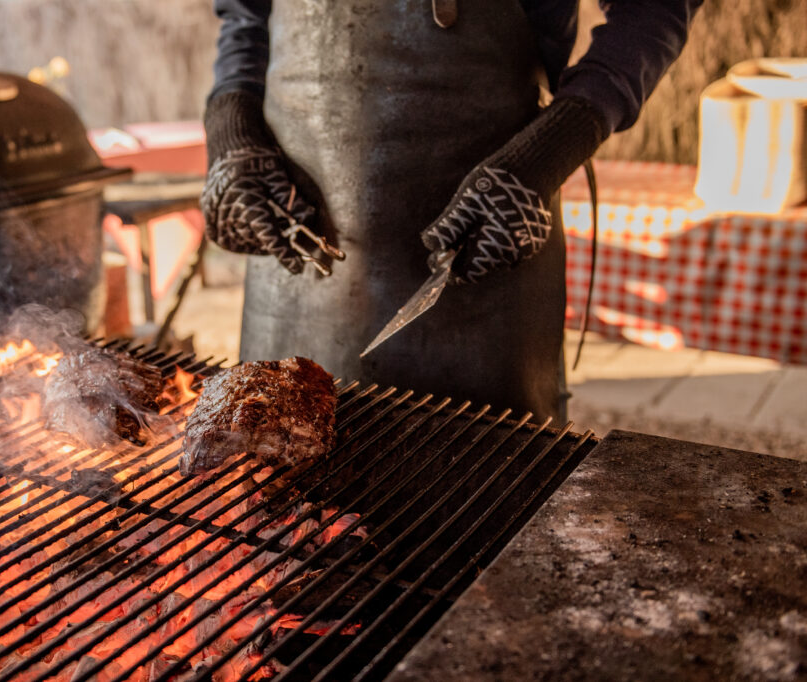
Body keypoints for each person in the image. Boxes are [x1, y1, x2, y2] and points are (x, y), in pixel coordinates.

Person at [200, 0, 702, 424]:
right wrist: (231, 126)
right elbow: (244, 16)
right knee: (273, 504)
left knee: (493, 499)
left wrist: (555, 146)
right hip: (292, 264)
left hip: (489, 242)